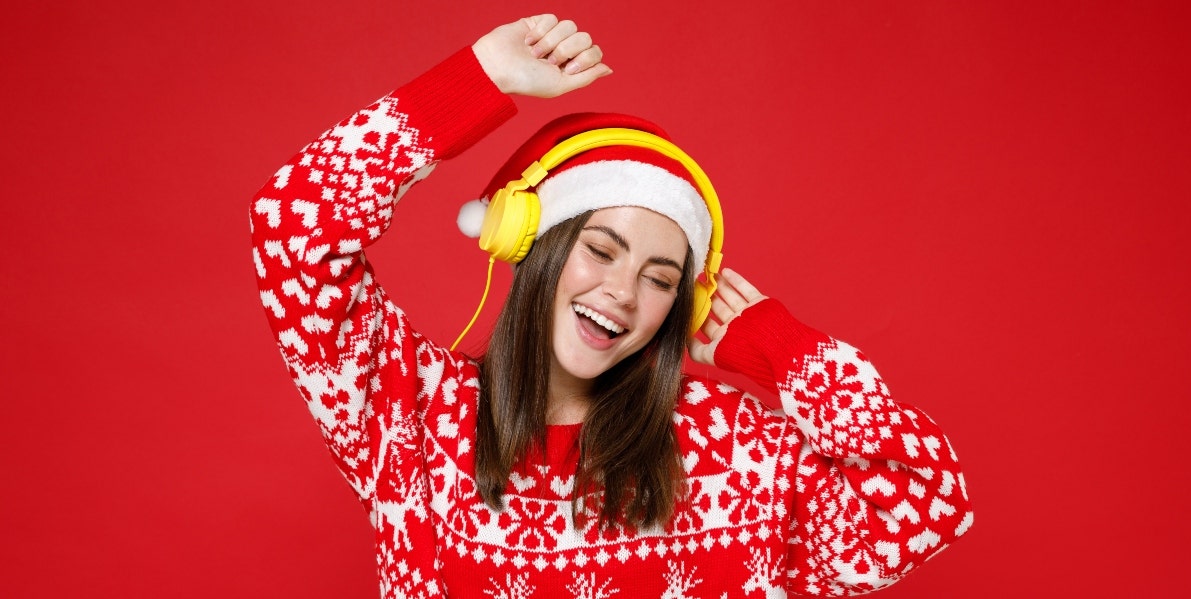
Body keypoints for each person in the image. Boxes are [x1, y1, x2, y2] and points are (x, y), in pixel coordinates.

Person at [250, 14, 972, 599]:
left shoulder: (742, 455)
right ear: (531, 244)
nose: (623, 293)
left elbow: (924, 497)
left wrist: (789, 355)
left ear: (680, 308)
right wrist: (480, 78)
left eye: (661, 279)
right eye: (601, 249)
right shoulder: (410, 419)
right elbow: (294, 225)